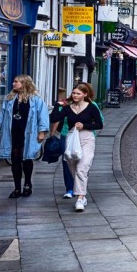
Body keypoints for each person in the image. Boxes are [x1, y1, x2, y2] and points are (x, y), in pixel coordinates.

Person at [0, 75, 49, 199]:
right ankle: (17, 187)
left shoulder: (36, 100)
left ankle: (27, 183)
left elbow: (43, 116)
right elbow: (2, 114)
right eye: (13, 81)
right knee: (15, 160)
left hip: (29, 133)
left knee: (27, 159)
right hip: (13, 133)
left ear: (24, 83)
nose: (13, 83)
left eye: (16, 82)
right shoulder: (9, 99)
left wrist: (42, 132)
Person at [50, 83, 104, 212]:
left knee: (82, 168)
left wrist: (84, 126)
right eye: (74, 93)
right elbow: (54, 118)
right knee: (73, 168)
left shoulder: (91, 107)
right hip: (71, 139)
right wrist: (57, 106)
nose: (75, 95)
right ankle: (82, 194)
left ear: (85, 94)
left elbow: (99, 124)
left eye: (78, 93)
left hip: (86, 139)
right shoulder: (68, 108)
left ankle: (80, 198)